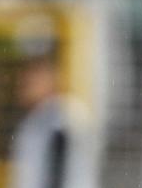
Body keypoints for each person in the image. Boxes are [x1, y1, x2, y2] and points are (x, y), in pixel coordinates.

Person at [8, 49, 97, 188]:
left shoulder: (63, 118)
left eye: (31, 78)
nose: (23, 83)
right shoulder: (36, 120)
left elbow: (57, 174)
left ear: (49, 78)